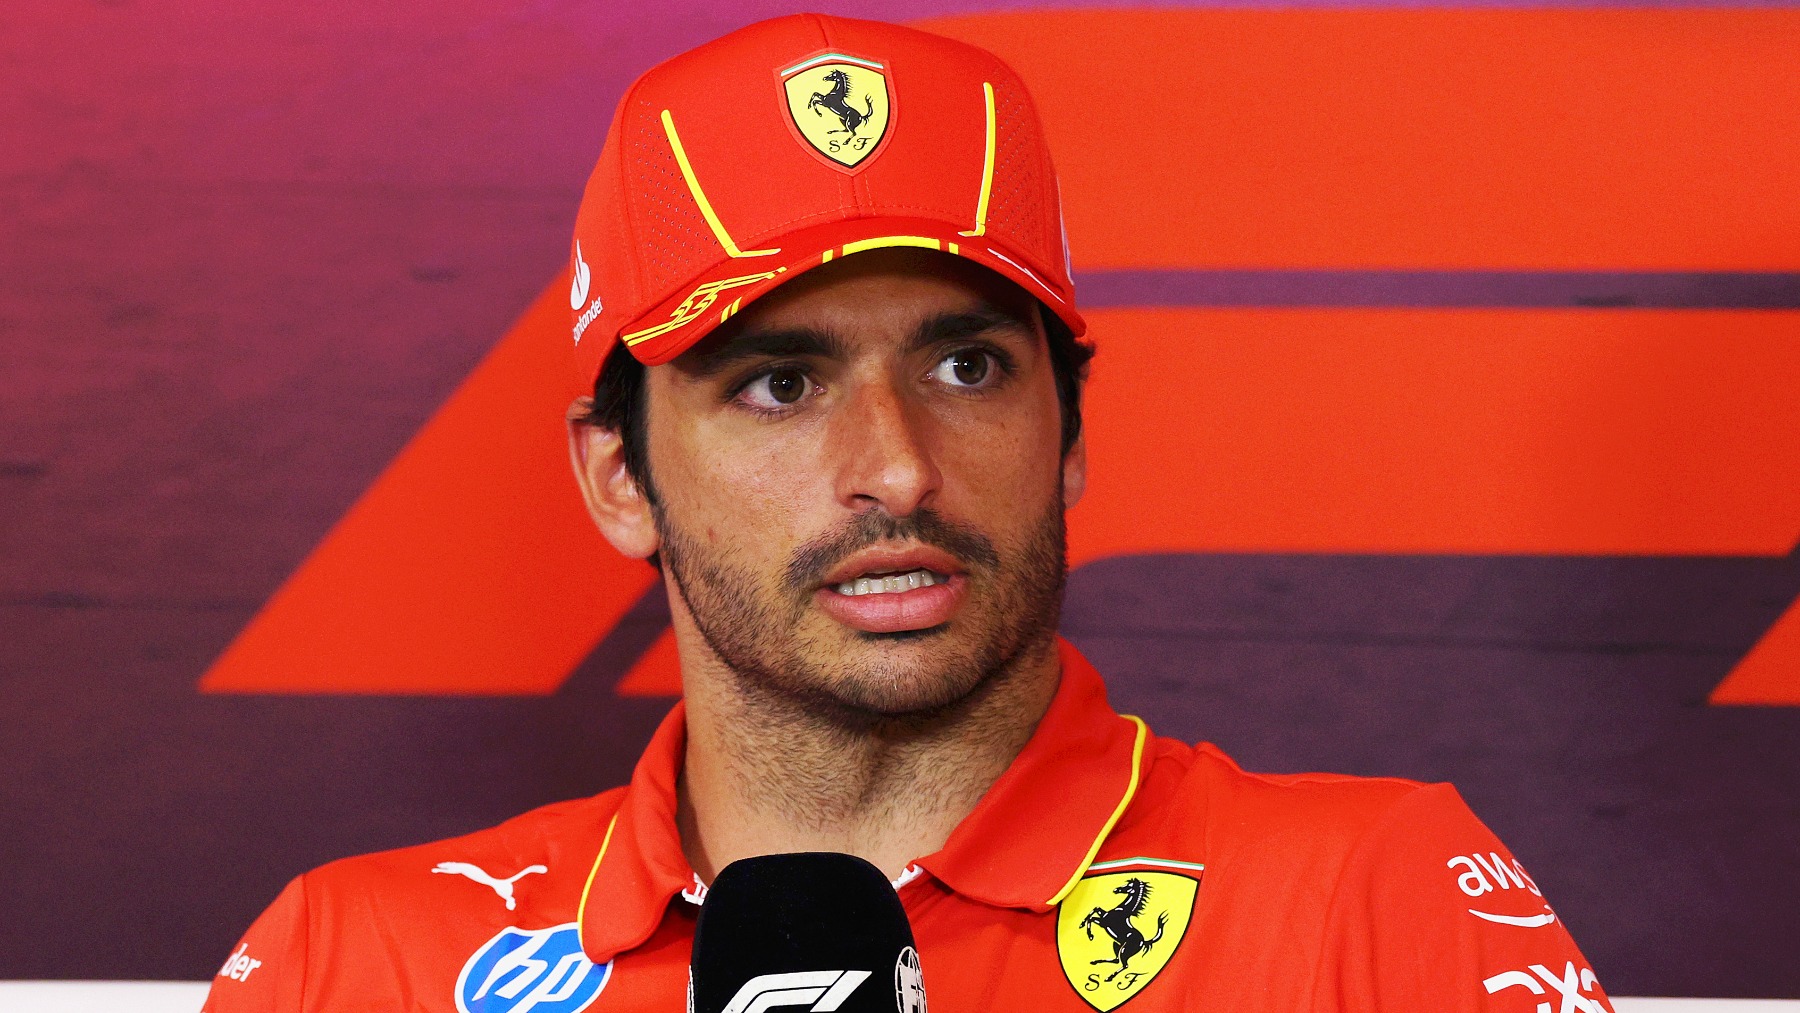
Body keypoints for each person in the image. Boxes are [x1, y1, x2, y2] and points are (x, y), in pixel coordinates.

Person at [204, 14, 1609, 1013]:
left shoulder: (1375, 903)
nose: (896, 469)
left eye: (966, 365)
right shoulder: (359, 964)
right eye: (777, 383)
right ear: (618, 476)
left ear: (1068, 434)